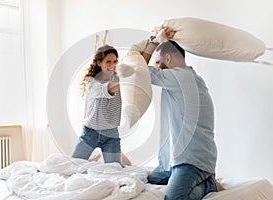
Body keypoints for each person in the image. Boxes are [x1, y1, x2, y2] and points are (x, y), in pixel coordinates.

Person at [140, 26, 225, 199]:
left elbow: (138, 69)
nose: (155, 66)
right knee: (152, 179)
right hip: (178, 158)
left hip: (192, 160)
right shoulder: (191, 78)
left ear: (168, 58)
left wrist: (155, 40)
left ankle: (209, 184)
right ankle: (185, 174)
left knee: (173, 197)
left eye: (157, 61)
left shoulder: (179, 77)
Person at [71, 44, 125, 167]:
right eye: (108, 62)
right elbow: (107, 90)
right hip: (91, 133)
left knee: (116, 169)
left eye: (115, 61)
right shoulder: (91, 81)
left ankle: (111, 158)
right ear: (99, 63)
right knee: (74, 166)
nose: (113, 65)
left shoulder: (117, 78)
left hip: (111, 134)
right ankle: (96, 158)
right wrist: (127, 79)